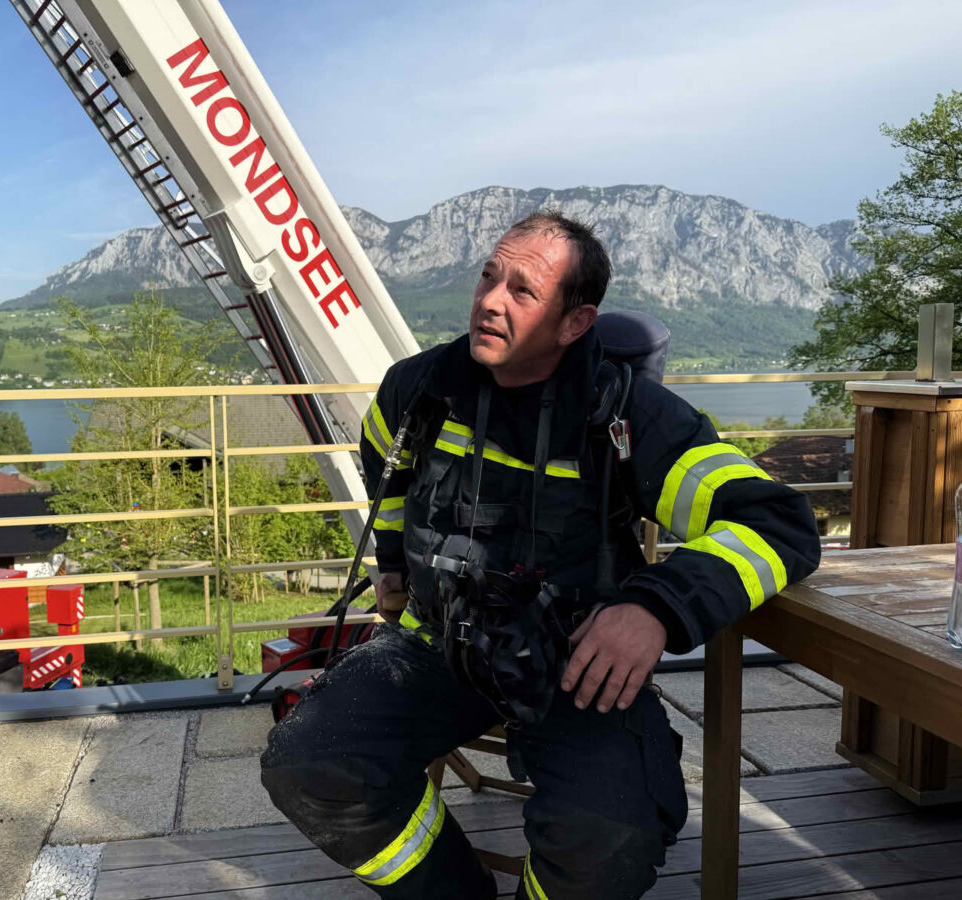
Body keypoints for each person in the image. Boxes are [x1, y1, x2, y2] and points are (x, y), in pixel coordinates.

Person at [261, 212, 821, 898]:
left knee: (610, 835)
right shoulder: (420, 388)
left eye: (522, 291)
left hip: (572, 663)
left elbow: (777, 523)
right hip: (439, 643)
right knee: (309, 762)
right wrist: (395, 562)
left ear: (574, 323)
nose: (490, 301)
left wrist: (654, 607)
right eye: (488, 277)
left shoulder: (626, 418)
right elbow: (385, 459)